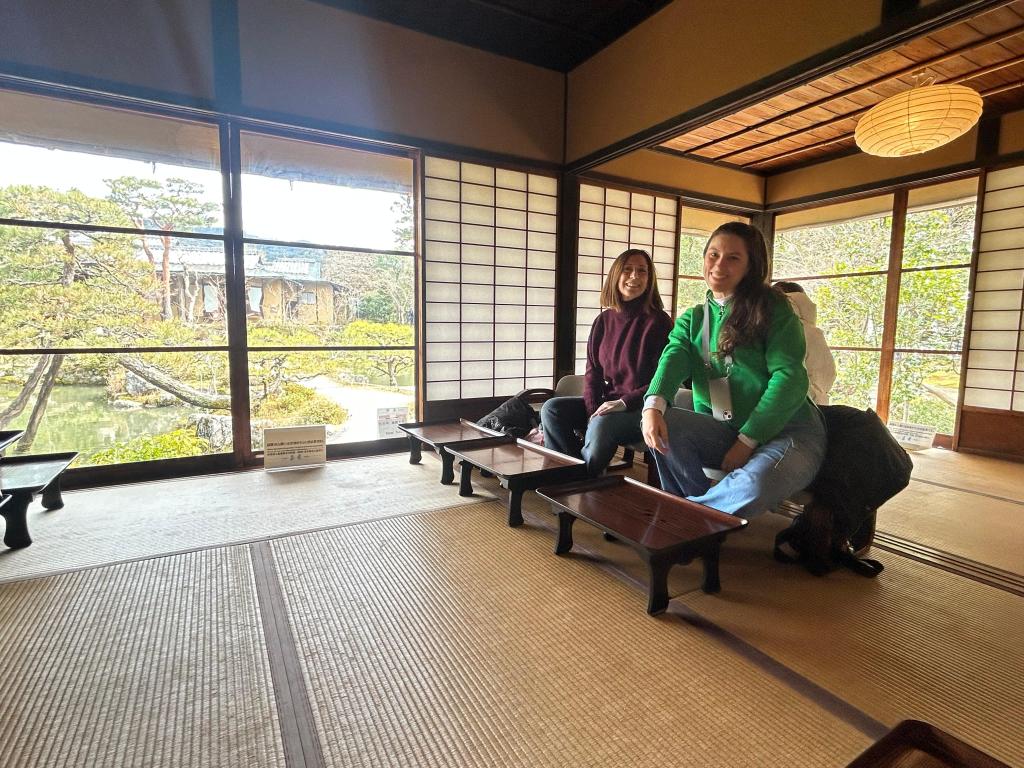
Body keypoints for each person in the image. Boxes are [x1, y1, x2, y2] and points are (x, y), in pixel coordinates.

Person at [641, 222, 826, 519]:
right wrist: (653, 407)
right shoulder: (696, 318)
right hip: (725, 427)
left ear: (752, 266)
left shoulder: (775, 310)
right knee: (664, 426)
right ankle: (698, 514)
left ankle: (689, 517)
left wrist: (747, 440)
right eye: (713, 254)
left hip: (788, 433)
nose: (718, 265)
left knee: (755, 484)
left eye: (733, 258)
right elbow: (673, 357)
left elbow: (789, 378)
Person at [542, 248, 672, 476]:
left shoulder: (659, 322)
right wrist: (593, 409)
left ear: (649, 279)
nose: (635, 276)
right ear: (615, 276)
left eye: (642, 271)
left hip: (642, 408)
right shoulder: (603, 320)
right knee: (552, 409)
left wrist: (620, 404)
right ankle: (572, 475)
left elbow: (660, 380)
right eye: (627, 270)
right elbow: (593, 372)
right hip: (608, 404)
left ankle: (572, 485)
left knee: (603, 423)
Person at [774, 281, 837, 405]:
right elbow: (828, 374)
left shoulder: (778, 331)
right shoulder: (813, 332)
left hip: (789, 407)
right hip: (815, 406)